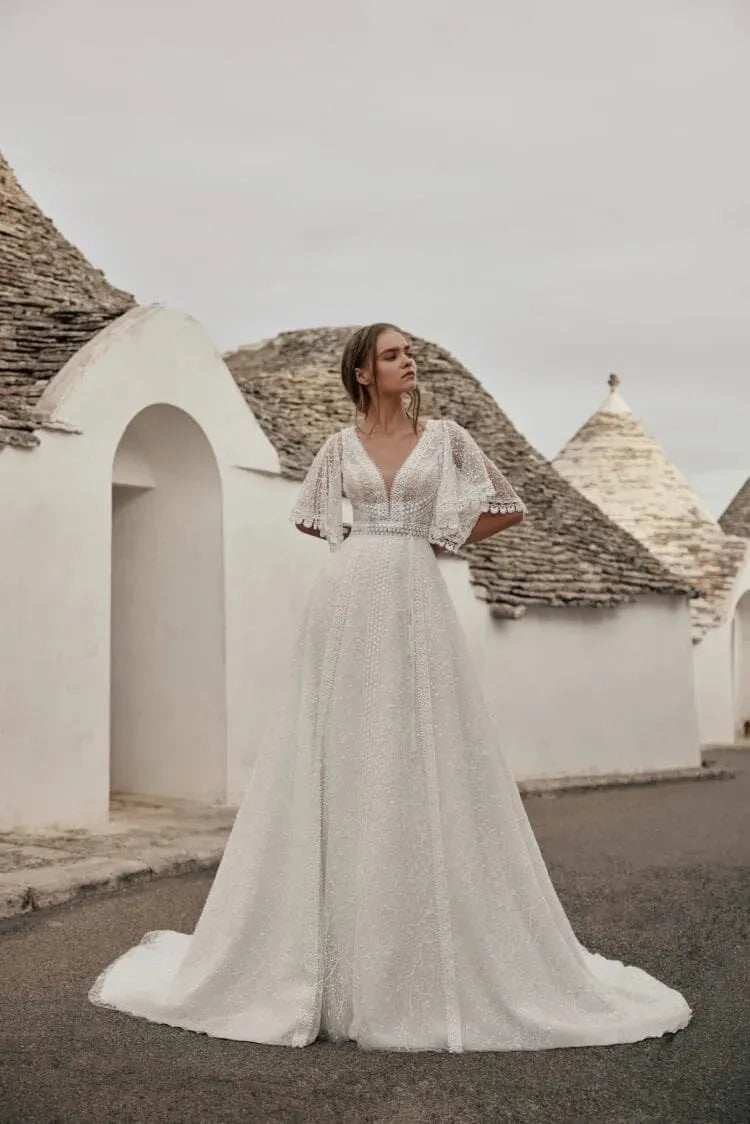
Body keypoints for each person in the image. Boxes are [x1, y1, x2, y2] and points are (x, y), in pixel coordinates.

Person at [88, 322, 692, 1051]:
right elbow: (313, 518)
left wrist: (438, 536)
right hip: (346, 600)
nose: (412, 362)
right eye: (396, 355)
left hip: (414, 591)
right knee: (340, 752)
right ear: (365, 373)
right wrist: (366, 539)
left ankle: (416, 949)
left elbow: (505, 505)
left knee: (416, 748)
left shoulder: (446, 438)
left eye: (412, 353)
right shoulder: (338, 449)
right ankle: (319, 956)